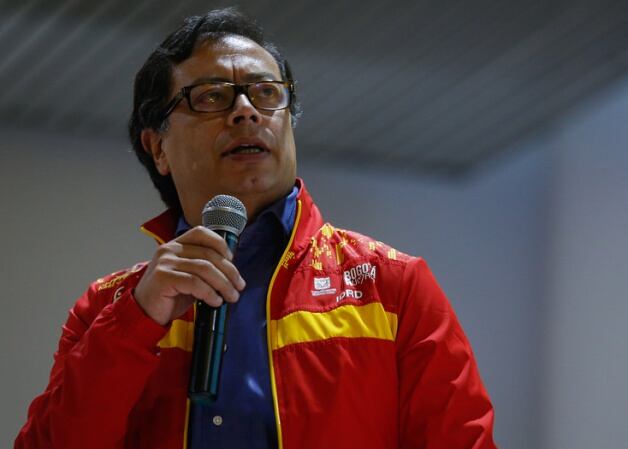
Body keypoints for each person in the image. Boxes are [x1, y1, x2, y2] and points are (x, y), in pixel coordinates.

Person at [15, 8, 496, 449]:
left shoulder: (391, 287)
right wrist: (136, 320)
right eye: (211, 97)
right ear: (158, 147)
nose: (246, 110)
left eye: (267, 93)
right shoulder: (108, 308)